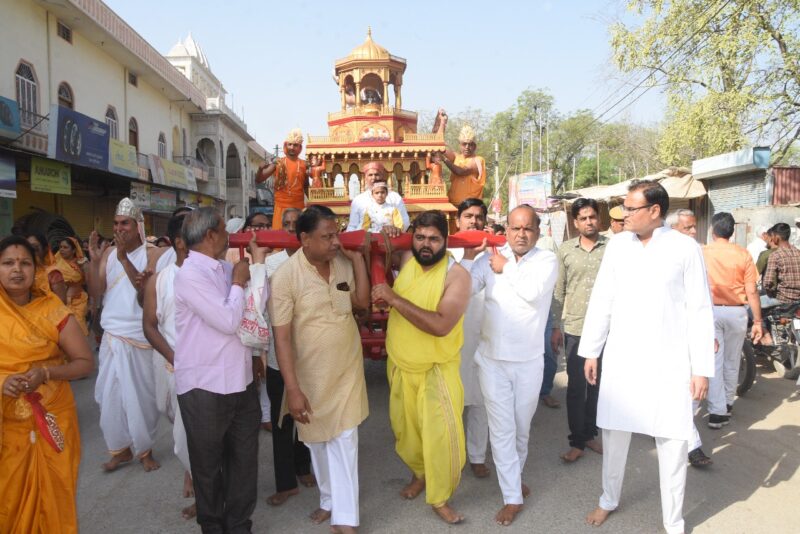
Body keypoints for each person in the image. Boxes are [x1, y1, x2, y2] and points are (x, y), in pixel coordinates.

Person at [580, 180, 714, 534]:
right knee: (614, 432)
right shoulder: (619, 246)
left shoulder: (685, 249)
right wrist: (592, 350)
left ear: (654, 211)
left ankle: (673, 521)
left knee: (672, 441)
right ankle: (608, 498)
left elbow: (699, 309)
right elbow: (602, 299)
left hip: (669, 363)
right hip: (623, 359)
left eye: (630, 209)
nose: (623, 216)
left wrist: (701, 369)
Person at [270, 205, 370, 534]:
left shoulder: (342, 263)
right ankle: (329, 500)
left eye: (336, 234)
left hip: (347, 371)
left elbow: (362, 306)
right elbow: (282, 338)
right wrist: (293, 389)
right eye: (326, 236)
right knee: (317, 442)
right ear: (304, 239)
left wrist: (357, 261)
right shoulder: (285, 277)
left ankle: (345, 519)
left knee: (344, 439)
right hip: (310, 378)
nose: (334, 242)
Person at [373, 211, 471, 525]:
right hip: (401, 365)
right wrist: (388, 233)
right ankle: (420, 475)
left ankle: (440, 497)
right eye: (420, 237)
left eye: (433, 239)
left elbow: (442, 325)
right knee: (407, 435)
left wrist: (393, 298)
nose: (425, 245)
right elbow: (377, 252)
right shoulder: (406, 259)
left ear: (446, 241)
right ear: (412, 237)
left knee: (440, 439)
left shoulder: (457, 276)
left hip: (435, 371)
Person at [174, 207, 267, 533]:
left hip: (239, 382)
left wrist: (253, 266)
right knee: (208, 467)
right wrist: (239, 282)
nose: (229, 235)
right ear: (211, 235)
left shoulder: (224, 268)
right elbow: (229, 320)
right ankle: (213, 527)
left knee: (244, 462)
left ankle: (239, 525)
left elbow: (252, 309)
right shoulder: (189, 274)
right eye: (224, 230)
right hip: (204, 387)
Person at [470, 205, 559, 526]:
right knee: (503, 430)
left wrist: (505, 267)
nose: (521, 234)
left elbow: (534, 292)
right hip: (492, 361)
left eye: (528, 229)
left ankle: (513, 479)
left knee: (521, 429)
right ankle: (512, 496)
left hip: (529, 362)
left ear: (538, 231)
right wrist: (470, 257)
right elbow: (464, 287)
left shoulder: (546, 260)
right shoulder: (487, 260)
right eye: (515, 228)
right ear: (505, 229)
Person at [0, 235, 94, 533]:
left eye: (25, 263)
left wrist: (47, 373)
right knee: (9, 499)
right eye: (8, 263)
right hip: (6, 424)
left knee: (55, 495)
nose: (17, 270)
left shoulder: (54, 311)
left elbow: (84, 363)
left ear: (36, 268)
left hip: (52, 415)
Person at [88, 198, 163, 472]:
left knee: (140, 398)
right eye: (116, 224)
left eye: (125, 224)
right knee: (108, 398)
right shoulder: (107, 253)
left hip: (140, 336)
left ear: (138, 226)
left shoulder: (153, 254)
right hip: (112, 335)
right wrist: (95, 262)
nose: (120, 229)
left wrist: (123, 259)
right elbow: (97, 292)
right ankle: (120, 450)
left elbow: (145, 298)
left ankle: (145, 450)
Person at [142, 214, 196, 520]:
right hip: (169, 365)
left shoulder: (214, 273)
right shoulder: (160, 280)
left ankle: (205, 494)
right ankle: (193, 471)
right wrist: (175, 358)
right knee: (172, 418)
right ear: (180, 243)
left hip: (201, 371)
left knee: (186, 438)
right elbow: (149, 326)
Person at [261, 207, 316, 507]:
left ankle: (303, 467)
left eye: (297, 225)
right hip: (276, 355)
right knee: (280, 421)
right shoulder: (270, 263)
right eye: (287, 224)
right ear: (281, 228)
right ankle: (286, 483)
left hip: (308, 354)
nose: (292, 229)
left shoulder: (315, 261)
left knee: (306, 416)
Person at [550, 198, 607, 464]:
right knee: (576, 387)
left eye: (592, 217)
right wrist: (555, 327)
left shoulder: (612, 248)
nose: (588, 222)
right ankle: (577, 442)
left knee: (597, 386)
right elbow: (558, 290)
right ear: (575, 223)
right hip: (574, 327)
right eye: (583, 218)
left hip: (606, 329)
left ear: (598, 219)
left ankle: (590, 433)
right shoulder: (565, 250)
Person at [703, 212, 763, 432]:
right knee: (732, 360)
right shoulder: (743, 254)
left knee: (714, 362)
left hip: (710, 313)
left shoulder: (703, 252)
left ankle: (717, 412)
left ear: (712, 230)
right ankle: (727, 403)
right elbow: (752, 291)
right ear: (733, 231)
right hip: (737, 312)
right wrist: (757, 320)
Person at [449, 199, 491, 479]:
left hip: (486, 337)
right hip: (451, 339)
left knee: (481, 401)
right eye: (468, 216)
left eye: (478, 217)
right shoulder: (447, 253)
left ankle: (477, 455)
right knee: (450, 403)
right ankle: (452, 456)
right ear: (458, 221)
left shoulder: (495, 253)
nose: (473, 221)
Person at [256, 128, 308, 229]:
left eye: (295, 145)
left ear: (300, 148)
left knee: (298, 237)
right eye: (290, 144)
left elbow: (306, 187)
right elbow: (259, 179)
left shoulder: (304, 165)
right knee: (279, 239)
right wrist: (259, 169)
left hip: (298, 206)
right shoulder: (278, 163)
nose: (292, 147)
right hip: (281, 207)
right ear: (285, 145)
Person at [346, 162, 409, 232]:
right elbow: (352, 225)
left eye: (376, 174)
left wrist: (394, 231)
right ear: (365, 177)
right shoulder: (358, 200)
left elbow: (405, 222)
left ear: (382, 176)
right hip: (366, 239)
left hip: (391, 238)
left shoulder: (395, 197)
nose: (373, 178)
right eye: (370, 175)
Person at [437, 124, 486, 206]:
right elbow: (438, 146)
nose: (467, 147)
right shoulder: (456, 157)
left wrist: (444, 159)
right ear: (460, 145)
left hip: (470, 206)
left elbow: (461, 171)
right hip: (453, 205)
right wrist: (442, 122)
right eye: (464, 144)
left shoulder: (478, 160)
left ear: (475, 146)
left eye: (470, 144)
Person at [53, 236, 89, 335]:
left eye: (65, 247)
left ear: (74, 250)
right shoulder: (55, 262)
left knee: (78, 329)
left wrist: (85, 267)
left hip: (78, 301)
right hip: (59, 302)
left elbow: (88, 281)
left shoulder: (81, 263)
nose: (62, 250)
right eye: (60, 247)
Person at [762, 222, 800, 306]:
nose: (771, 239)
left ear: (777, 237)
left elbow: (767, 283)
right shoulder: (798, 252)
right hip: (798, 300)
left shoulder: (775, 255)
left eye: (772, 236)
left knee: (752, 303)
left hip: (781, 299)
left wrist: (770, 294)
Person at [25, 233, 67, 303]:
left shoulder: (52, 273)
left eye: (34, 248)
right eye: (27, 248)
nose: (31, 251)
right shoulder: (23, 271)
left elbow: (62, 301)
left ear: (45, 249)